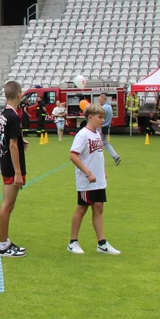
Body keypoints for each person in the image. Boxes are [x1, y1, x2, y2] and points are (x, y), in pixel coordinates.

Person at [67, 103, 122, 255]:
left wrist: (102, 170)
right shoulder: (82, 135)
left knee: (99, 207)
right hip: (87, 181)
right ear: (90, 117)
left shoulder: (97, 134)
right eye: (100, 117)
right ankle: (73, 242)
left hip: (98, 180)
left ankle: (102, 243)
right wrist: (88, 173)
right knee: (82, 208)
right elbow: (73, 155)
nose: (102, 120)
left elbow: (98, 154)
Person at [0, 82, 28, 257]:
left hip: (6, 161)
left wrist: (21, 141)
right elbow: (12, 145)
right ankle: (3, 245)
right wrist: (18, 172)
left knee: (10, 205)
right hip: (11, 165)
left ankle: (5, 241)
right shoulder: (13, 116)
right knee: (7, 205)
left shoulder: (5, 114)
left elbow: (8, 138)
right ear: (19, 94)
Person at [97, 94, 121, 165]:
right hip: (106, 127)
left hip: (102, 128)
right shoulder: (109, 106)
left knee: (99, 144)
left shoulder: (104, 108)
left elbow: (98, 114)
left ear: (103, 99)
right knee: (105, 143)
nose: (99, 102)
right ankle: (115, 156)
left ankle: (99, 160)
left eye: (100, 100)